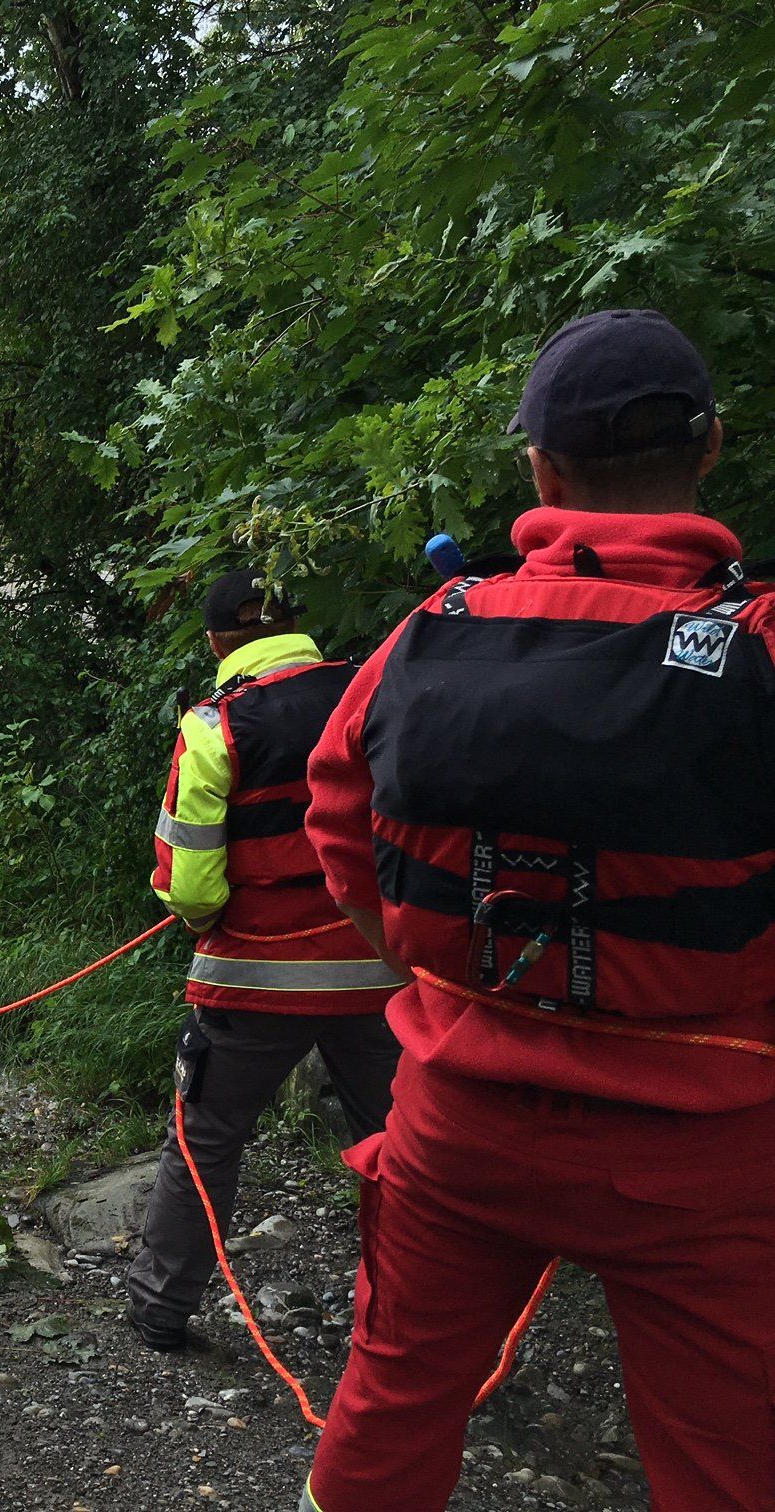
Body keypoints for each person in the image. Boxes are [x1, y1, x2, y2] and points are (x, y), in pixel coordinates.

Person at [299, 309, 775, 1510]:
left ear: (541, 472)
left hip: (461, 1120)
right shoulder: (762, 647)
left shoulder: (424, 640)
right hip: (707, 1150)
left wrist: (431, 976)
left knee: (390, 1411)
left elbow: (338, 830)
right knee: (725, 1466)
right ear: (710, 447)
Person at [126, 572, 403, 1351]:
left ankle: (161, 1310)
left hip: (252, 977)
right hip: (379, 971)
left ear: (218, 642)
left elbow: (190, 881)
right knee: (399, 1146)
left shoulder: (216, 727)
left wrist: (203, 917)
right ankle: (409, 1322)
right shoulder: (378, 693)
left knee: (206, 1137)